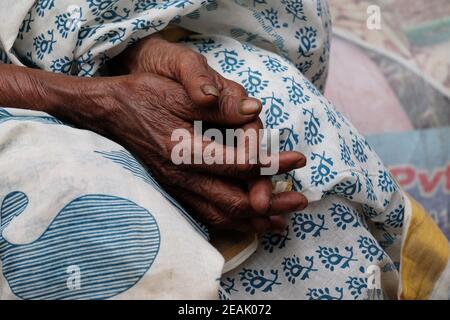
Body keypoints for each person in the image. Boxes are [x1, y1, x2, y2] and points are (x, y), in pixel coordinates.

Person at [0, 0, 448, 300]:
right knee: (81, 207)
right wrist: (95, 103)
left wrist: (131, 50)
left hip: (52, 47)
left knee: (269, 107)